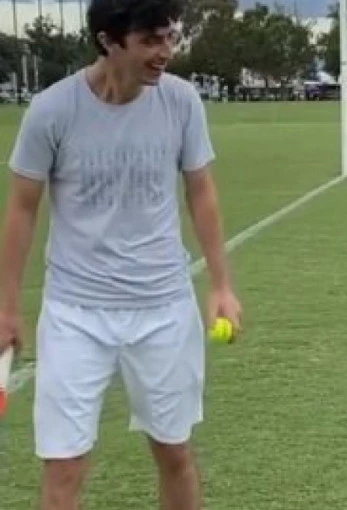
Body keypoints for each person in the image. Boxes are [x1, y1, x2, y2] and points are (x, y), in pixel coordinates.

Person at [0, 0, 242, 508]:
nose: (165, 52)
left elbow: (201, 192)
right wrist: (7, 307)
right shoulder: (52, 110)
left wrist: (222, 286)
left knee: (174, 451)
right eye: (150, 40)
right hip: (75, 312)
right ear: (108, 41)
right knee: (64, 466)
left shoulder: (181, 101)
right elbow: (22, 208)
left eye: (170, 37)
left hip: (163, 308)